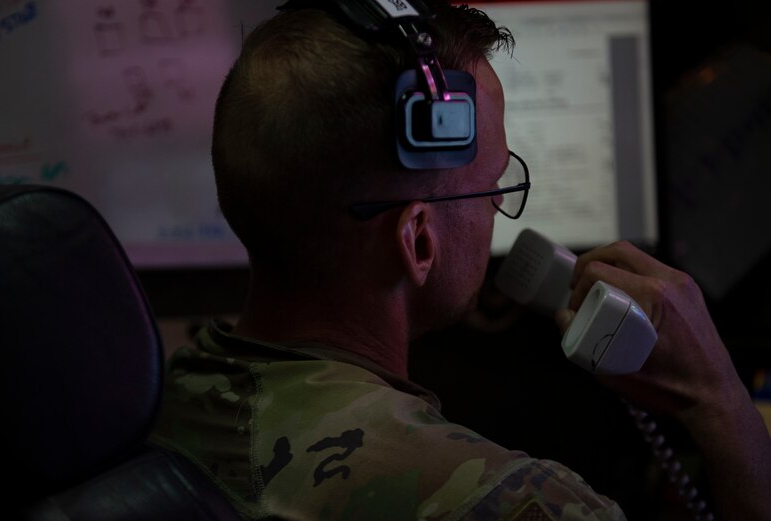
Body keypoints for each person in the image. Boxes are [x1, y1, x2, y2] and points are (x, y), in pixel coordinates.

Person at [151, 1, 771, 520]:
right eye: (493, 185)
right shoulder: (518, 503)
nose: (499, 204)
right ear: (418, 240)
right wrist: (719, 403)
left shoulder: (157, 399)